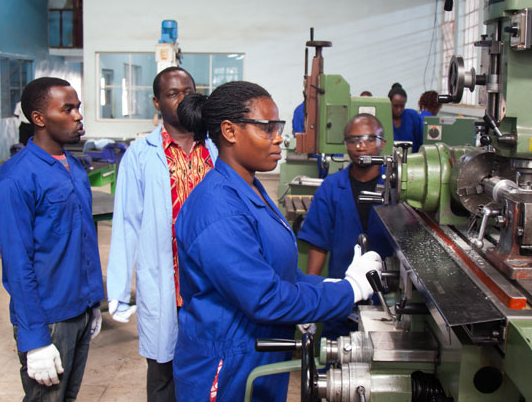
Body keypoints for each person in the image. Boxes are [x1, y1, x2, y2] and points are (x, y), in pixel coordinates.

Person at [172, 81, 383, 402]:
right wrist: (349, 290)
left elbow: (280, 274)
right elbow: (264, 298)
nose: (278, 137)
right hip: (227, 366)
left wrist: (324, 287)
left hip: (258, 353)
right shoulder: (217, 208)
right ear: (230, 131)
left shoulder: (251, 189)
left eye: (279, 127)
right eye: (267, 128)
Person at [106, 67, 218, 402]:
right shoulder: (141, 156)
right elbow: (126, 223)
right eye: (173, 93)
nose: (183, 98)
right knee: (162, 375)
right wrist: (118, 287)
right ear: (157, 102)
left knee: (211, 367)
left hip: (212, 284)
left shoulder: (216, 149)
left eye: (189, 90)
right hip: (165, 283)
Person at [0, 77, 105, 401]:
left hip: (80, 309)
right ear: (39, 118)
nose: (77, 116)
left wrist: (92, 303)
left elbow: (83, 241)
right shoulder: (17, 178)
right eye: (67, 109)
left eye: (78, 108)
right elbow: (17, 265)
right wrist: (35, 339)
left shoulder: (74, 168)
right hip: (50, 318)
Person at [297, 113, 391, 339]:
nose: (360, 146)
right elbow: (318, 245)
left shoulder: (398, 187)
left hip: (390, 295)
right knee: (337, 360)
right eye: (352, 140)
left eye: (369, 139)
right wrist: (310, 299)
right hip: (343, 296)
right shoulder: (331, 188)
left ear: (382, 143)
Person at [388, 82, 423, 152]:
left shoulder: (413, 117)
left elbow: (421, 141)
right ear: (389, 103)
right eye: (396, 106)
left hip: (411, 160)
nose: (399, 109)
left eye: (402, 106)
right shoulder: (384, 119)